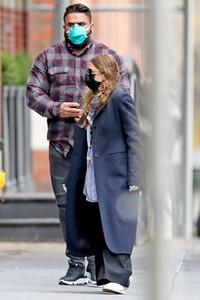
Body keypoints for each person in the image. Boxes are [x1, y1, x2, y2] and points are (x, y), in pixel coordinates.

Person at [26, 3, 130, 286]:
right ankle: (75, 264)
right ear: (63, 26)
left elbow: (124, 92)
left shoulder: (109, 57)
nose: (76, 29)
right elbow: (32, 93)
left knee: (96, 204)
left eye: (81, 24)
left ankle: (98, 264)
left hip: (99, 149)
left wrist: (93, 107)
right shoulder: (48, 57)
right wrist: (57, 108)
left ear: (91, 26)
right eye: (71, 23)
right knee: (66, 206)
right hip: (62, 144)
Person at [64, 53, 144, 295]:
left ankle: (119, 277)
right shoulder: (91, 101)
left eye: (93, 72)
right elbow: (83, 143)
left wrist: (135, 177)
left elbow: (134, 140)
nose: (88, 76)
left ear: (106, 74)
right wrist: (72, 178)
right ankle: (105, 276)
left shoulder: (120, 99)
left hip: (117, 176)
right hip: (93, 175)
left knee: (118, 225)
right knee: (100, 224)